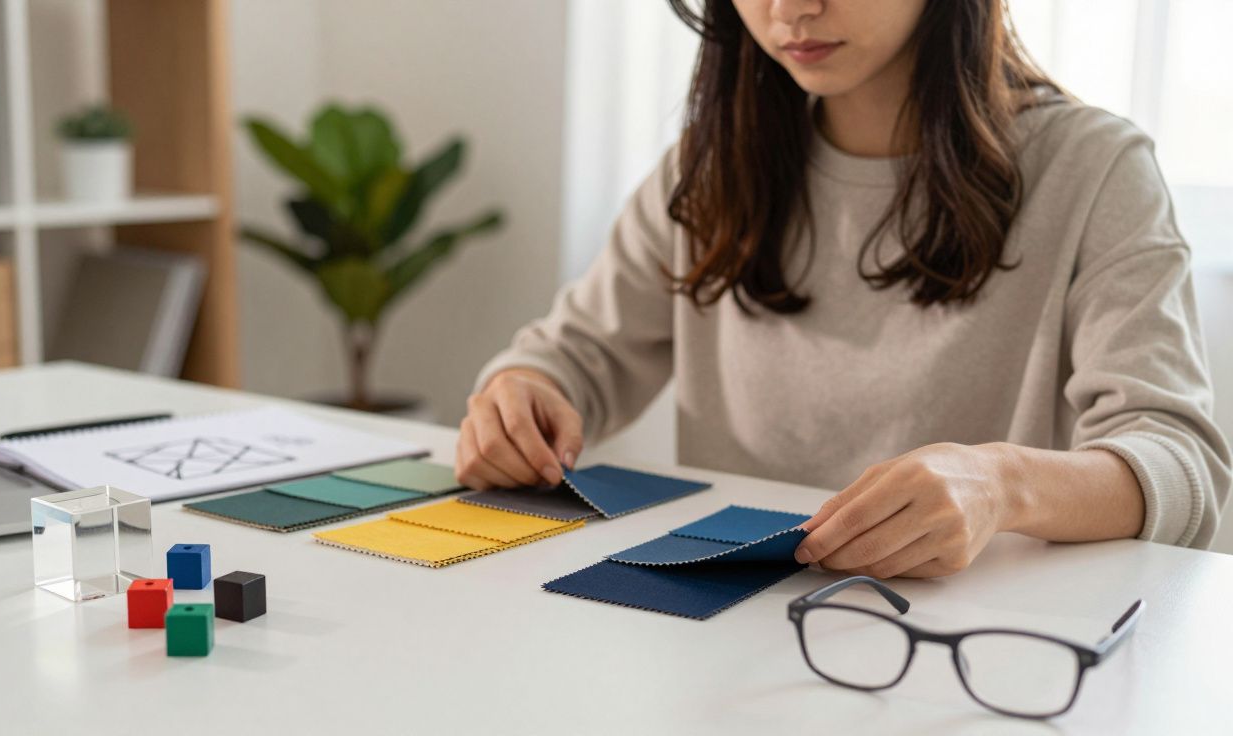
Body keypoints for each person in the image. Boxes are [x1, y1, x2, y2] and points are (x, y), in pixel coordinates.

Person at [455, 0, 1231, 578]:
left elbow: (1180, 463)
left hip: (976, 648)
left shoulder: (1094, 169)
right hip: (723, 633)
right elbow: (577, 356)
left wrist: (1003, 483)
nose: (791, 9)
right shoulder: (710, 164)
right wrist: (524, 392)